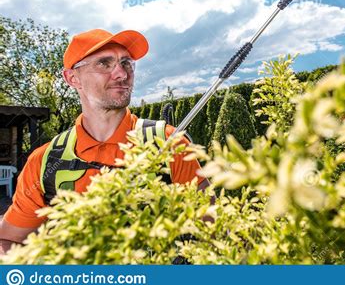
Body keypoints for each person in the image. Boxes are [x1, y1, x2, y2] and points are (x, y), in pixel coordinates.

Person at [0, 29, 209, 254]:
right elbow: (9, 241)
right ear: (72, 78)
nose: (121, 73)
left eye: (126, 63)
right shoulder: (44, 161)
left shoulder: (169, 144)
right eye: (104, 63)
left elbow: (214, 233)